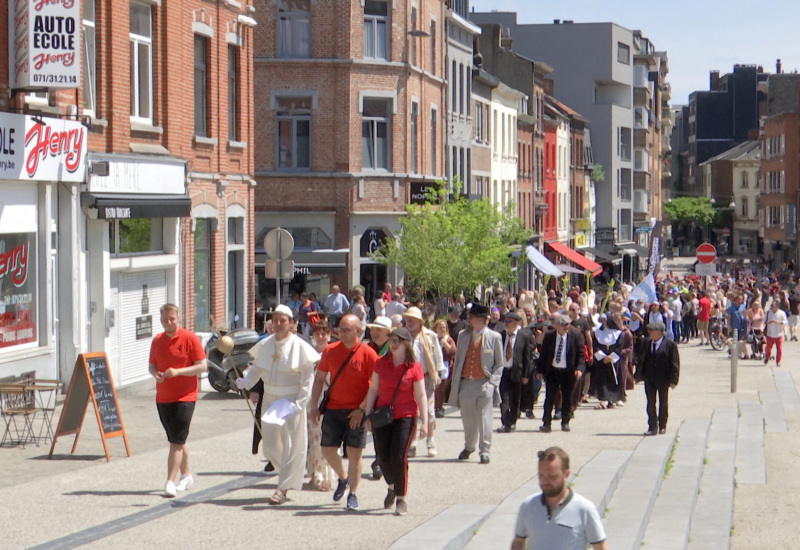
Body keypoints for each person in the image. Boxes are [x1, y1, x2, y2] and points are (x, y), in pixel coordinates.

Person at [236, 305, 321, 505]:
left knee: (291, 444)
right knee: (271, 444)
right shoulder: (265, 344)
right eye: (275, 320)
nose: (279, 323)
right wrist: (245, 382)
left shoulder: (301, 347)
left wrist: (299, 404)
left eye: (283, 320)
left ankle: (282, 488)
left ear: (292, 323)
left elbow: (307, 380)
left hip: (291, 401)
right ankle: (287, 473)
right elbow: (257, 369)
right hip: (270, 399)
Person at [309, 314, 377, 511]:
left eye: (347, 330)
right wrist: (314, 406)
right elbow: (320, 379)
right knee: (327, 449)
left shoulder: (368, 353)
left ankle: (353, 494)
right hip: (333, 408)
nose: (342, 333)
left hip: (357, 410)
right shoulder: (330, 351)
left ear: (358, 331)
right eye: (340, 329)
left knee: (355, 454)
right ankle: (343, 477)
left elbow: (375, 386)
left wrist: (362, 409)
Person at [364, 327, 428, 516]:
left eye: (397, 341)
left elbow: (421, 394)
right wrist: (367, 414)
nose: (393, 344)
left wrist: (425, 421)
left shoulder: (413, 367)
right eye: (391, 340)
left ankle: (401, 498)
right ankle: (391, 487)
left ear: (406, 344)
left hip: (405, 415)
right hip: (383, 415)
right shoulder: (381, 363)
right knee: (382, 456)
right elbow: (373, 389)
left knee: (399, 456)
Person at [148, 304, 207, 498]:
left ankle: (169, 482)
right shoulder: (157, 341)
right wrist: (156, 374)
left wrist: (178, 372)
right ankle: (187, 475)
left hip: (185, 397)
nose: (169, 322)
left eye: (172, 318)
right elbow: (152, 365)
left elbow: (202, 366)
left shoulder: (189, 338)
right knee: (178, 439)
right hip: (163, 396)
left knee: (175, 441)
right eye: (165, 319)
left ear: (178, 318)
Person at [511, 446, 607, 550]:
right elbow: (518, 541)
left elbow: (600, 546)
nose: (545, 481)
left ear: (566, 474)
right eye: (541, 475)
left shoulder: (584, 509)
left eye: (552, 476)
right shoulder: (528, 506)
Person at [447, 304, 504, 464]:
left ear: (481, 320)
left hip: (484, 383)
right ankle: (469, 446)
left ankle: (484, 450)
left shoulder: (494, 337)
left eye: (471, 318)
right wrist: (456, 383)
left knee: (485, 419)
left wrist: (493, 383)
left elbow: (500, 363)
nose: (469, 321)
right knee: (468, 419)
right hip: (466, 383)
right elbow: (458, 360)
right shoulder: (463, 335)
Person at [401, 307, 446, 458]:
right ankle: (413, 442)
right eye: (407, 318)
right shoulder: (402, 335)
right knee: (412, 411)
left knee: (429, 411)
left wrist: (439, 373)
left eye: (412, 319)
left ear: (420, 321)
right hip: (407, 378)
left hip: (426, 377)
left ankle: (430, 440)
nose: (409, 321)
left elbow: (437, 356)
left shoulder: (429, 335)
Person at [537, 314, 585, 433]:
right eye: (563, 324)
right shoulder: (549, 336)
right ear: (556, 325)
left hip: (568, 371)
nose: (566, 327)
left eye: (568, 324)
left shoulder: (576, 336)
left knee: (567, 398)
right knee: (549, 398)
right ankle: (546, 423)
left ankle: (565, 422)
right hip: (552, 371)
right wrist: (540, 370)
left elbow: (581, 354)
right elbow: (543, 355)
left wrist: (579, 369)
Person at [635, 321, 680, 435]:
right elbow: (641, 360)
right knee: (650, 402)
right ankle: (652, 426)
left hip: (663, 378)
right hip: (649, 377)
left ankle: (662, 425)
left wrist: (674, 380)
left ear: (659, 332)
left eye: (652, 331)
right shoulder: (646, 343)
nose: (649, 333)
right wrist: (638, 375)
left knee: (663, 402)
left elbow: (675, 363)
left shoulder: (670, 345)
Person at [306, 319, 334, 491]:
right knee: (314, 438)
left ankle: (328, 475)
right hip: (312, 400)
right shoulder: (308, 354)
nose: (321, 336)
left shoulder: (334, 353)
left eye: (324, 333)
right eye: (318, 333)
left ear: (329, 335)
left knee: (329, 438)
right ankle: (315, 472)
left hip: (331, 400)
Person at [497, 311, 535, 432]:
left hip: (517, 372)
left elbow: (527, 357)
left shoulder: (524, 335)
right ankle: (505, 422)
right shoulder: (500, 336)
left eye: (509, 322)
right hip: (503, 371)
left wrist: (525, 375)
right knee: (504, 399)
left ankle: (512, 422)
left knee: (515, 399)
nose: (506, 324)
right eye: (505, 321)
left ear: (516, 323)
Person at [365, 315, 393, 480]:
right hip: (372, 396)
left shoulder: (394, 349)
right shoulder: (368, 348)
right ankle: (378, 462)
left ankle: (383, 461)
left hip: (390, 396)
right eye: (373, 329)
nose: (374, 332)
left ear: (388, 333)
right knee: (377, 431)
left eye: (378, 330)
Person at [432, 318, 457, 418]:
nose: (442, 329)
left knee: (441, 388)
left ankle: (439, 407)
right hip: (433, 365)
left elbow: (453, 352)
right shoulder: (432, 338)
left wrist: (445, 344)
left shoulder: (448, 339)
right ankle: (432, 406)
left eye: (444, 327)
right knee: (433, 387)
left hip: (445, 366)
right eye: (440, 327)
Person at [764, 299, 788, 366]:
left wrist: (779, 322)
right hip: (770, 333)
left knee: (779, 349)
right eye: (772, 306)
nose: (773, 307)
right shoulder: (768, 312)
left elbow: (785, 322)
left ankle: (778, 361)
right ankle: (767, 357)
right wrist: (767, 322)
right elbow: (764, 321)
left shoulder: (782, 313)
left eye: (774, 306)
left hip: (778, 333)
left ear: (777, 307)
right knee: (768, 348)